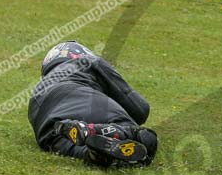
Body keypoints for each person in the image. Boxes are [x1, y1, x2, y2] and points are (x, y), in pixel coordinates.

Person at [28, 41, 158, 167]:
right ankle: (91, 130)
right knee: (141, 135)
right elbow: (140, 110)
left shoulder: (38, 89)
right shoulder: (88, 61)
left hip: (46, 128)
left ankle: (95, 153)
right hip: (74, 93)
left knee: (81, 150)